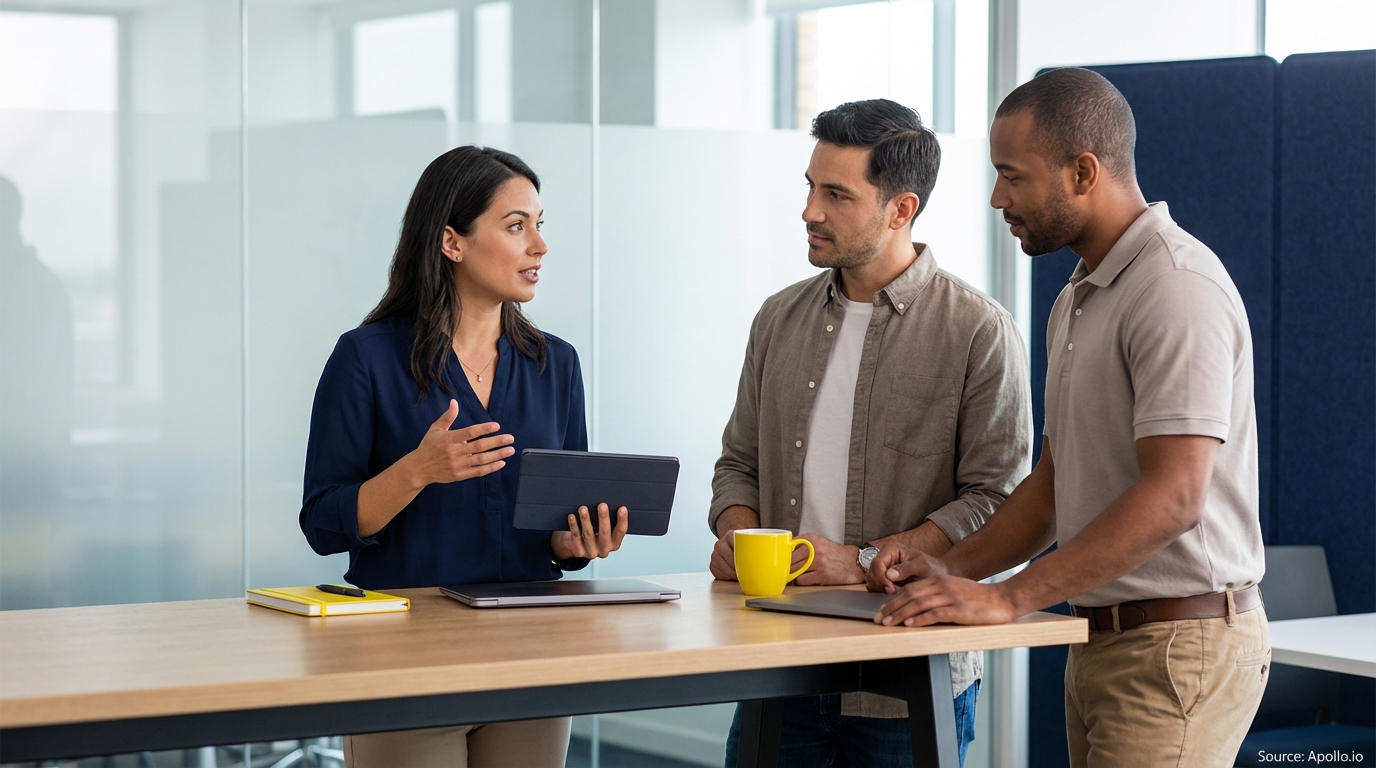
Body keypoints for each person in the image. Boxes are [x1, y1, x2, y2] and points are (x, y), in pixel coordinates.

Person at [868, 68, 1269, 767]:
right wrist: (952, 567)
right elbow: (1057, 484)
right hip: (1105, 640)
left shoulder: (1175, 288)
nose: (998, 198)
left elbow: (1175, 496)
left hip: (1177, 648)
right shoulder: (1079, 295)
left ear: (1083, 171)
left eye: (1012, 176)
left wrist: (1008, 599)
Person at [709, 99, 1032, 767]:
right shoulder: (778, 319)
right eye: (809, 187)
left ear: (901, 208)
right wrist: (738, 538)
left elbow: (995, 501)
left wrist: (859, 561)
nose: (810, 211)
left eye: (836, 195)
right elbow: (738, 462)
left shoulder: (977, 330)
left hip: (906, 673)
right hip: (777, 664)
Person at [300, 146, 628, 768]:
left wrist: (579, 539)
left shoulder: (555, 364)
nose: (539, 245)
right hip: (403, 656)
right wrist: (417, 471)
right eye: (515, 226)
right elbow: (322, 522)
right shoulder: (365, 358)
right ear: (452, 241)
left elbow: (559, 526)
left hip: (531, 651)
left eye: (539, 223)